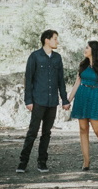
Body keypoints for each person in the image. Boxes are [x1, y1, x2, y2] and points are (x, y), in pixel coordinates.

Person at [17, 29, 70, 173]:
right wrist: (28, 100)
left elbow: (61, 81)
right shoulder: (34, 57)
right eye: (55, 39)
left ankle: (42, 162)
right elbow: (28, 79)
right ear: (47, 40)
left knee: (46, 133)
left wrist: (65, 100)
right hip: (38, 101)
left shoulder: (57, 58)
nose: (57, 41)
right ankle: (23, 162)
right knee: (32, 132)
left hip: (52, 102)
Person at [67, 39, 98, 171]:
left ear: (94, 50)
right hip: (82, 97)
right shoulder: (83, 65)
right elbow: (77, 84)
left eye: (87, 47)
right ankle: (86, 162)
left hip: (95, 98)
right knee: (83, 129)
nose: (85, 49)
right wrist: (68, 100)